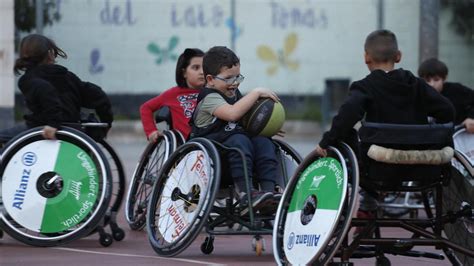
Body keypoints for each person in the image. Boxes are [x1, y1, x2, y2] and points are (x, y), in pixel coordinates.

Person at [314, 29, 455, 220]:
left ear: (366, 58)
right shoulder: (417, 85)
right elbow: (447, 111)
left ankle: (367, 203)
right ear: (398, 56)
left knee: (344, 133)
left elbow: (347, 116)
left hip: (377, 167)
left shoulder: (364, 86)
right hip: (422, 165)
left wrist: (326, 142)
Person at [190, 46, 281, 215]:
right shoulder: (209, 97)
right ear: (210, 80)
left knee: (263, 141)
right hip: (212, 162)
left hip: (236, 157)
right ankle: (246, 194)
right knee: (238, 139)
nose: (235, 82)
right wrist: (256, 92)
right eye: (228, 78)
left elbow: (245, 120)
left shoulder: (234, 94)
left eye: (237, 77)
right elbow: (232, 114)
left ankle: (269, 194)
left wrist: (268, 126)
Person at [0, 34, 113, 143]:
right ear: (50, 54)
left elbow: (47, 91)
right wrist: (106, 121)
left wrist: (53, 124)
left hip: (42, 129)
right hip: (74, 130)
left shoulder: (28, 80)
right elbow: (97, 94)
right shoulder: (68, 76)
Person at [140, 48, 205, 142]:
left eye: (204, 67)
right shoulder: (173, 94)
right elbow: (146, 108)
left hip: (210, 140)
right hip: (187, 144)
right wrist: (151, 132)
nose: (202, 72)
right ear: (184, 73)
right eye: (196, 68)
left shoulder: (211, 92)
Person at [418, 58, 474, 133]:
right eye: (427, 81)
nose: (432, 84)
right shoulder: (416, 94)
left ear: (444, 78)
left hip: (458, 136)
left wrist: (471, 118)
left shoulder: (457, 90)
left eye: (436, 80)